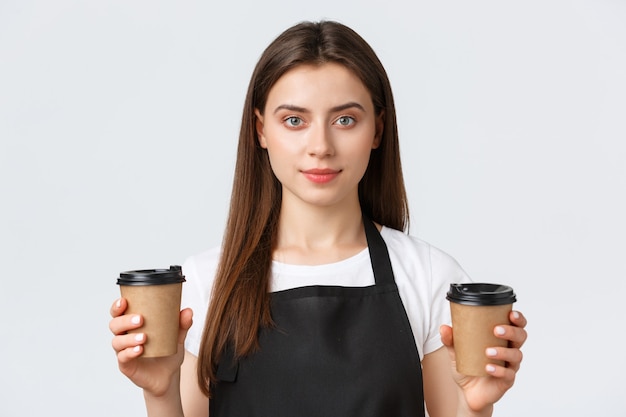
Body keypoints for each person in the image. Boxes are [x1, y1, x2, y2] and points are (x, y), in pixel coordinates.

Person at [109, 20, 527, 417]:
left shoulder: (428, 275)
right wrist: (159, 391)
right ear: (261, 131)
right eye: (295, 121)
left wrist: (476, 407)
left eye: (345, 120)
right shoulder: (206, 283)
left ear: (377, 130)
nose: (320, 146)